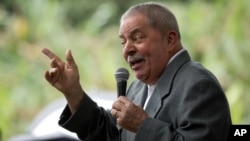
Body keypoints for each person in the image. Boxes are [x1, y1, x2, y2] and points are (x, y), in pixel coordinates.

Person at [41, 2, 231, 141]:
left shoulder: (198, 85)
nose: (127, 50)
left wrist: (142, 126)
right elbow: (110, 135)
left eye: (137, 38)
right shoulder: (138, 88)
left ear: (170, 40)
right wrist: (73, 92)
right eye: (123, 42)